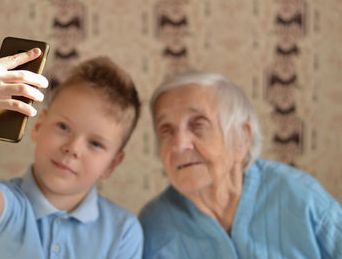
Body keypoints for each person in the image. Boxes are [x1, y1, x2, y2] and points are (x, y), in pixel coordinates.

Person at [0, 48, 143, 259]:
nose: (73, 148)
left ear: (112, 164)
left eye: (95, 144)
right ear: (39, 126)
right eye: (63, 127)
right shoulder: (5, 208)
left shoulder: (123, 232)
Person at [139, 71, 342, 258]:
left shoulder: (301, 198)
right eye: (166, 130)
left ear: (240, 139)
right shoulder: (154, 227)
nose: (179, 144)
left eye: (198, 125)